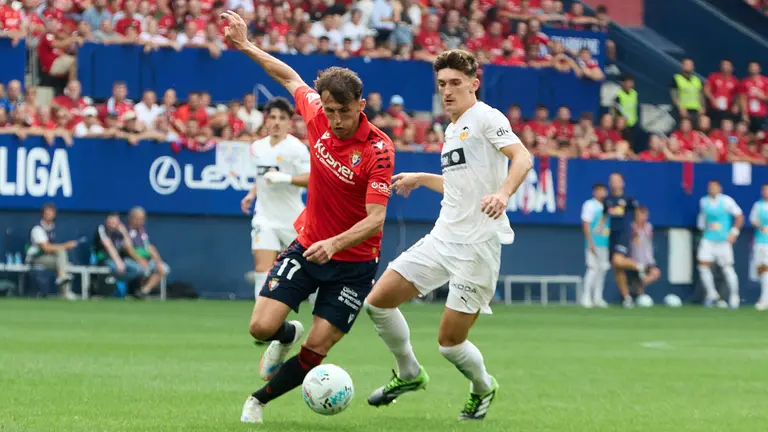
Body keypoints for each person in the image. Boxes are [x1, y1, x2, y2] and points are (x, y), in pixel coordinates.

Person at [221, 11, 396, 424]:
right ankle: (285, 335)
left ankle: (257, 401)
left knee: (318, 347)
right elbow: (288, 77)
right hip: (308, 245)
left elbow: (375, 219)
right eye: (331, 111)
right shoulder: (316, 112)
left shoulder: (378, 150)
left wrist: (334, 244)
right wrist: (246, 45)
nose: (335, 120)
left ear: (361, 106)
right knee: (260, 328)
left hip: (353, 264)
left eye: (344, 112)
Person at [363, 49, 533, 421]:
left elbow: (523, 158)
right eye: (442, 84)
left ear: (474, 84)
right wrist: (421, 179)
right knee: (377, 303)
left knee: (449, 344)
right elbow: (461, 186)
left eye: (456, 83)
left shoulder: (487, 117)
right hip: (443, 238)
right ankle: (408, 373)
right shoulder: (453, 128)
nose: (448, 91)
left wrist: (503, 193)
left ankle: (483, 386)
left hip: (477, 249)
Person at [240, 97, 310, 301]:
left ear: (289, 122)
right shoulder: (258, 147)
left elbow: (312, 179)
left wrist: (285, 178)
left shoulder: (296, 148)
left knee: (311, 269)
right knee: (263, 269)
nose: (276, 122)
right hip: (265, 218)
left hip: (293, 219)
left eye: (282, 117)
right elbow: (261, 177)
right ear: (266, 120)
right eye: (272, 117)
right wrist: (251, 194)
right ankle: (263, 324)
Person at [601, 172, 646, 308]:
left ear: (622, 183)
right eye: (611, 180)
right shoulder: (607, 200)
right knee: (617, 268)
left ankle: (641, 267)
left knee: (617, 259)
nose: (614, 183)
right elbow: (604, 217)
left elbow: (638, 212)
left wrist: (638, 229)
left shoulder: (628, 199)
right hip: (611, 235)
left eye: (616, 180)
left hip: (624, 233)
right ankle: (627, 297)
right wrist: (600, 229)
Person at [697, 180, 743, 308]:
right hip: (708, 239)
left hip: (723, 240)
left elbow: (739, 216)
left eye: (715, 187)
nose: (712, 189)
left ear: (720, 188)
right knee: (703, 266)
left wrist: (734, 232)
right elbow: (702, 219)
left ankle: (734, 297)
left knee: (727, 268)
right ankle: (712, 294)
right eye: (710, 187)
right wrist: (702, 231)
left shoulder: (727, 201)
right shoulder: (703, 201)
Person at [25, 203, 78, 300]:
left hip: (48, 258)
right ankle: (64, 289)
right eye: (47, 213)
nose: (49, 215)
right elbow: (46, 248)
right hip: (35, 259)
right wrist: (66, 245)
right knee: (62, 255)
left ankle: (64, 289)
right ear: (43, 214)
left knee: (64, 263)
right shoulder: (37, 229)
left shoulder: (52, 227)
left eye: (51, 213)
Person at [126, 207, 169, 298]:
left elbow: (150, 248)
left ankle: (143, 291)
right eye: (137, 218)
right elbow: (128, 248)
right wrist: (140, 261)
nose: (140, 221)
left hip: (146, 260)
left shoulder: (142, 232)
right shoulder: (126, 231)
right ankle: (133, 290)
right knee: (143, 269)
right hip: (130, 260)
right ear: (131, 218)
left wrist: (158, 261)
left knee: (163, 268)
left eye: (142, 219)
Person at [580, 183, 609, 308]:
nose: (602, 193)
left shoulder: (607, 206)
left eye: (604, 190)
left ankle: (598, 297)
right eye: (599, 191)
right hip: (593, 242)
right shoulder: (589, 205)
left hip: (605, 243)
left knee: (602, 270)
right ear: (594, 192)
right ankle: (586, 296)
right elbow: (586, 224)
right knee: (592, 269)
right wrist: (590, 242)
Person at [628, 206, 661, 297]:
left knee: (655, 273)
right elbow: (635, 242)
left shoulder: (648, 227)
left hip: (648, 261)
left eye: (644, 215)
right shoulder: (632, 227)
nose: (641, 217)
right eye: (639, 215)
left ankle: (638, 285)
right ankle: (637, 293)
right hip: (635, 261)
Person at [749, 184, 768, 311]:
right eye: (764, 190)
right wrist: (759, 225)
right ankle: (764, 298)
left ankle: (764, 299)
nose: (766, 192)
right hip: (760, 242)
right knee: (762, 270)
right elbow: (753, 220)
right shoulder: (758, 205)